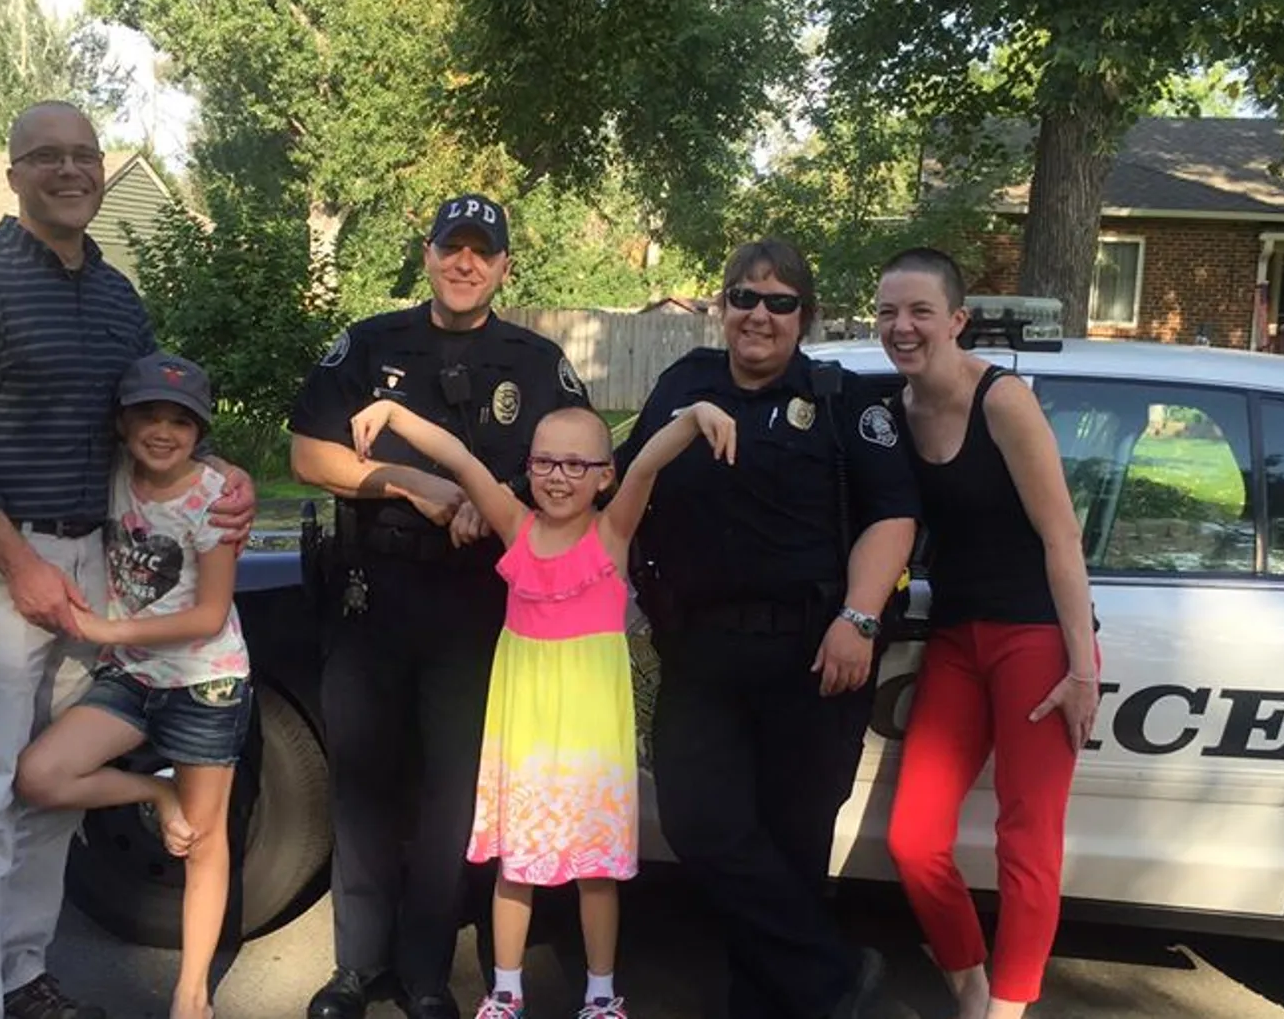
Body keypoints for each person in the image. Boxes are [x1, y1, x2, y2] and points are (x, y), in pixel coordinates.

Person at [0, 100, 255, 1019]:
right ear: (12, 172)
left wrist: (223, 473)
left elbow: (149, 424)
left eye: (84, 155)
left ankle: (21, 976)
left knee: (46, 795)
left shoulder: (115, 298)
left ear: (102, 168)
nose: (70, 171)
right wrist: (18, 562)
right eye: (46, 156)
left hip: (93, 564)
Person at [289, 193, 592, 1019]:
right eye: (451, 248)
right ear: (426, 255)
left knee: (450, 792)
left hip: (474, 602)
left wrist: (488, 498)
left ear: (502, 267)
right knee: (362, 780)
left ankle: (425, 971)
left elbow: (576, 462)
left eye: (481, 252)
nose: (465, 263)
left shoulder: (534, 361)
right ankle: (356, 966)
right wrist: (412, 481)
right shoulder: (371, 343)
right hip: (371, 591)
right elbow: (308, 452)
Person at [347, 396, 737, 1019]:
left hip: (588, 731)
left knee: (596, 869)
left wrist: (694, 417)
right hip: (524, 723)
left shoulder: (612, 534)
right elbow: (458, 458)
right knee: (515, 862)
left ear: (603, 475)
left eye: (577, 465)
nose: (559, 477)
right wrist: (393, 411)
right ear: (528, 467)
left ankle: (602, 996)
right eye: (545, 462)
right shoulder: (514, 526)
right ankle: (505, 990)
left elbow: (647, 466)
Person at [616, 238, 920, 1019]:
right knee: (700, 825)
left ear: (804, 316)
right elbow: (623, 473)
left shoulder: (843, 398)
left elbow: (893, 517)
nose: (759, 315)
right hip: (700, 652)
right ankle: (836, 978)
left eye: (779, 302)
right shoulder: (682, 382)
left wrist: (859, 617)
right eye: (744, 297)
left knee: (791, 849)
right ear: (722, 305)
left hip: (815, 657)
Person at [873, 248, 1100, 1019]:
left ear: (956, 320)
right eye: (887, 313)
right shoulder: (894, 413)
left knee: (1026, 844)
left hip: (1035, 638)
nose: (902, 328)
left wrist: (1083, 667)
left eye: (920, 311)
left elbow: (1062, 538)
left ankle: (1008, 1009)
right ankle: (969, 984)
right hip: (956, 638)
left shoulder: (1002, 400)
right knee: (912, 838)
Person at [14, 351, 251, 1019]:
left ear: (200, 432)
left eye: (181, 419)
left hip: (206, 682)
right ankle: (156, 787)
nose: (163, 430)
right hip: (134, 677)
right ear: (122, 422)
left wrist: (103, 631)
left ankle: (191, 995)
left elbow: (208, 615)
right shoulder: (114, 474)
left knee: (204, 840)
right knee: (39, 775)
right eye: (149, 413)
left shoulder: (213, 498)